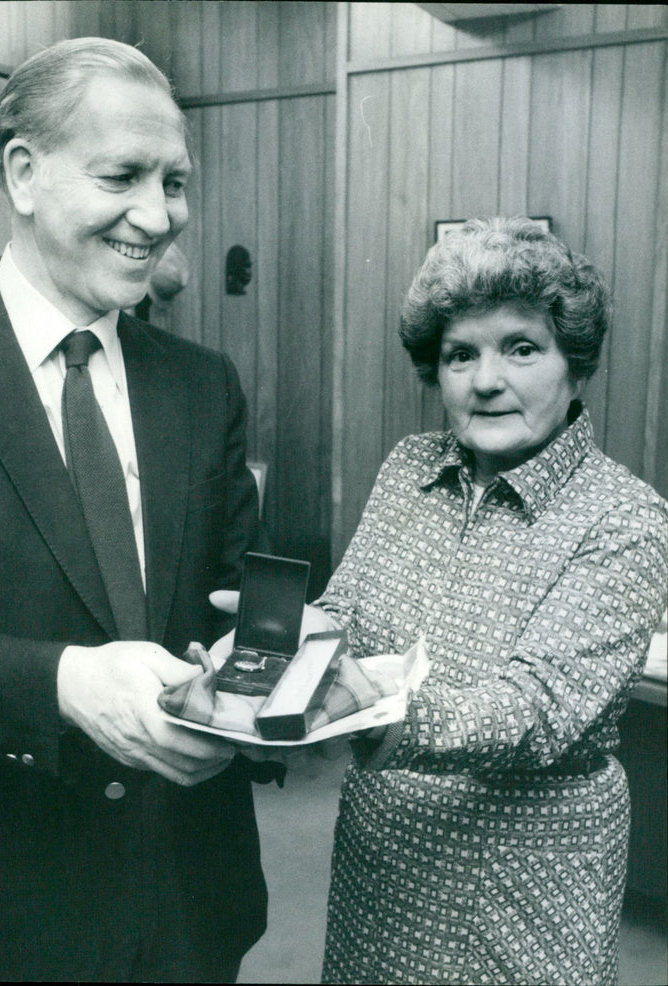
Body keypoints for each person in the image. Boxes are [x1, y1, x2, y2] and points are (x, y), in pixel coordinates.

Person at [0, 37, 271, 983]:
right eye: (121, 175)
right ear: (22, 171)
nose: (157, 214)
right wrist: (63, 683)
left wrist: (275, 662)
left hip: (186, 905)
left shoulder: (203, 385)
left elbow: (242, 598)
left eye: (174, 181)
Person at [317, 217, 668, 985]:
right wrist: (277, 654)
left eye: (520, 347)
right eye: (459, 355)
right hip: (383, 862)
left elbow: (539, 707)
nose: (484, 379)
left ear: (574, 363)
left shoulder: (626, 517)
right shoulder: (409, 465)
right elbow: (344, 611)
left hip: (525, 888)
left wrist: (374, 709)